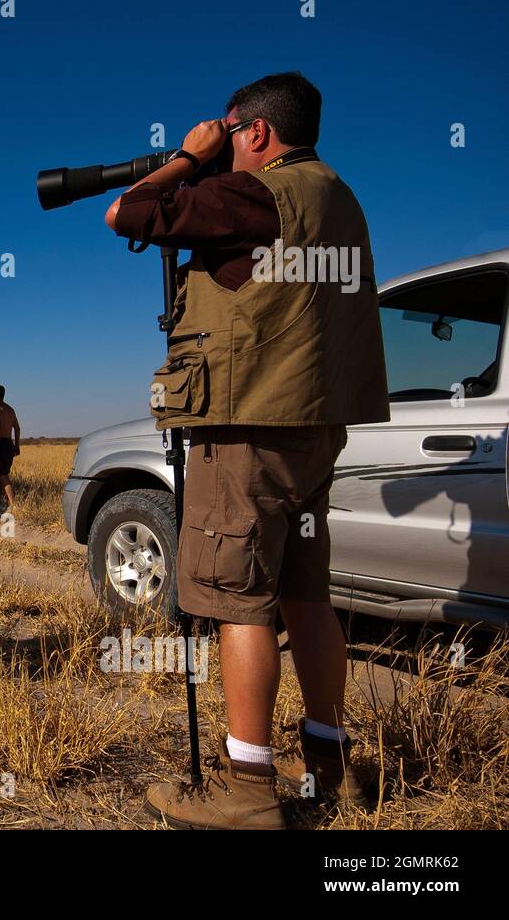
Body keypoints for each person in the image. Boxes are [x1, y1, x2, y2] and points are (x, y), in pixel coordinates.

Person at [105, 73, 390, 829]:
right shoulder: (338, 199)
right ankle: (330, 764)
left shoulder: (257, 195)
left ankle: (247, 788)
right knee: (305, 594)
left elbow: (126, 212)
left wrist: (186, 158)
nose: (222, 147)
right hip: (313, 428)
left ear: (256, 132)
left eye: (229, 135)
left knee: (240, 602)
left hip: (248, 430)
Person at [0, 385, 21, 514]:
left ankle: (12, 505)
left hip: (1, 444)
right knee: (2, 474)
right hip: (9, 443)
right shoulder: (10, 409)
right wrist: (17, 445)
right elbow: (17, 428)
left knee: (2, 476)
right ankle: (5, 503)